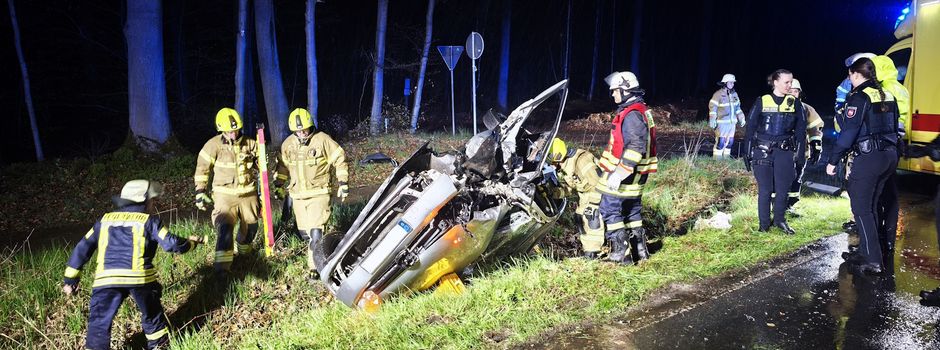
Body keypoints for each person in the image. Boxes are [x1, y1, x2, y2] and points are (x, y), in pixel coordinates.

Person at [62, 180, 202, 350]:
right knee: (152, 314)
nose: (154, 204)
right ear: (144, 202)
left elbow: (83, 248)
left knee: (98, 323)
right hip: (139, 278)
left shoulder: (104, 221)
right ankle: (159, 345)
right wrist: (191, 243)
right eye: (152, 201)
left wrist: (71, 279)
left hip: (106, 279)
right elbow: (171, 244)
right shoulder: (149, 221)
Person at [826, 57, 901, 275]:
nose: (849, 79)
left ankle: (873, 261)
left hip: (870, 158)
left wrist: (833, 159)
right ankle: (869, 252)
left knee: (861, 208)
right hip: (889, 155)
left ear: (857, 74)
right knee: (871, 205)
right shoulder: (887, 94)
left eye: (850, 75)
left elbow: (849, 131)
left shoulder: (859, 97)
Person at [274, 108, 349, 279]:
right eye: (298, 130)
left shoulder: (322, 140)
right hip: (298, 196)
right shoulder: (288, 144)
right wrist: (278, 185)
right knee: (305, 234)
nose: (302, 133)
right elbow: (282, 167)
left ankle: (316, 269)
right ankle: (322, 250)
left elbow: (340, 159)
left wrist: (343, 183)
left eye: (305, 129)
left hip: (319, 193)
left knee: (316, 232)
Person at [597, 71, 658, 264]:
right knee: (632, 211)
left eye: (615, 91)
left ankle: (620, 255)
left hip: (626, 172)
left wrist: (619, 173)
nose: (613, 95)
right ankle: (640, 251)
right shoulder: (641, 110)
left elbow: (635, 147)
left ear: (625, 90)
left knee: (610, 208)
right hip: (639, 173)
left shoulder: (631, 115)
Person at [194, 107, 259, 273]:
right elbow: (202, 168)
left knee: (251, 227)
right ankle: (222, 270)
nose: (233, 134)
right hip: (224, 195)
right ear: (221, 130)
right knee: (225, 229)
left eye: (236, 130)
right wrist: (200, 192)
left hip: (248, 195)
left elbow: (262, 166)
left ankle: (244, 256)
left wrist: (262, 159)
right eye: (229, 131)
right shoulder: (213, 145)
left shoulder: (251, 144)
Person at [744, 69, 807, 235]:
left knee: (782, 189)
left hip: (785, 151)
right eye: (786, 82)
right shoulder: (762, 101)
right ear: (775, 82)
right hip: (763, 151)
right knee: (765, 189)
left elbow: (801, 131)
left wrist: (800, 154)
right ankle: (764, 224)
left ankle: (780, 220)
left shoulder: (795, 103)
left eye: (791, 82)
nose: (790, 85)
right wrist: (747, 150)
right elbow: (750, 128)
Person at [871, 55, 909, 259]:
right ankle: (889, 240)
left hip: (883, 143)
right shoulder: (900, 87)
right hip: (896, 143)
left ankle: (877, 239)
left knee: (878, 193)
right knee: (891, 193)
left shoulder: (884, 89)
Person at [547, 137, 605, 258]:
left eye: (554, 162)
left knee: (591, 215)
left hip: (598, 192)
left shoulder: (581, 160)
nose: (554, 166)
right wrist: (554, 193)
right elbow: (570, 188)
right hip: (585, 195)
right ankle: (588, 249)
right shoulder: (567, 165)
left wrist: (593, 204)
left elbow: (598, 183)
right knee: (579, 218)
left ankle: (593, 252)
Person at [784, 79, 824, 214]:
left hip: (801, 152)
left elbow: (815, 128)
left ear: (799, 93)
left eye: (795, 91)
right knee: (781, 178)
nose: (792, 94)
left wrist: (816, 146)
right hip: (781, 152)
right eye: (790, 91)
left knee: (797, 177)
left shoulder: (806, 109)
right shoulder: (776, 107)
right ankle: (777, 205)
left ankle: (790, 205)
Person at [708, 74, 746, 159]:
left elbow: (738, 108)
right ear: (725, 83)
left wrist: (741, 118)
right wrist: (712, 119)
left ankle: (726, 159)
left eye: (733, 82)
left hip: (732, 123)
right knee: (721, 142)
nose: (732, 84)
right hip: (722, 123)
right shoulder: (718, 94)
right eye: (731, 82)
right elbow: (713, 107)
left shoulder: (734, 94)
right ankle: (717, 160)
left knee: (730, 142)